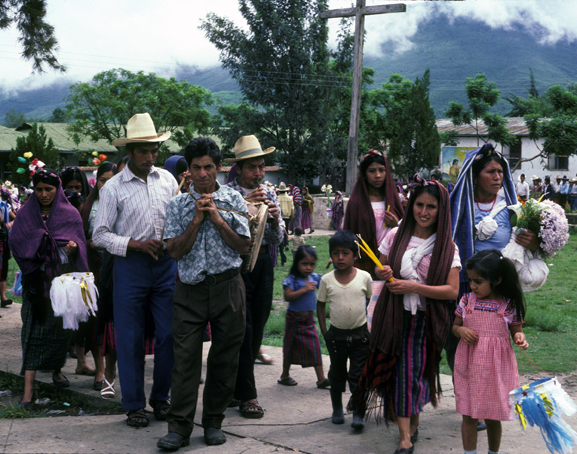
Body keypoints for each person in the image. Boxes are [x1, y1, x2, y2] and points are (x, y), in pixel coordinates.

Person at [350, 177, 460, 452]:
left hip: (425, 322)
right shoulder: (396, 234)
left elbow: (451, 291)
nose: (423, 212)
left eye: (431, 207)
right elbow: (380, 266)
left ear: (441, 209)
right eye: (419, 205)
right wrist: (382, 272)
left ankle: (413, 421)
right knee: (400, 374)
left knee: (418, 374)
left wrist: (414, 287)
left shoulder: (447, 247)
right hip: (394, 316)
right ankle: (404, 439)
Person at [157, 137, 250, 451]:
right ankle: (179, 428)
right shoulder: (178, 205)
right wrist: (196, 220)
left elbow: (243, 246)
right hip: (190, 290)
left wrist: (217, 218)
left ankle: (213, 421)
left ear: (219, 167)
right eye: (195, 167)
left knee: (225, 358)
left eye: (208, 167)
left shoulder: (234, 199)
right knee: (184, 361)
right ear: (188, 171)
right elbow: (174, 252)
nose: (201, 174)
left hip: (228, 287)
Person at [93, 113, 178, 427]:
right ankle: (134, 405)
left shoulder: (168, 180)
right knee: (129, 338)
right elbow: (99, 236)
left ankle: (161, 399)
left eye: (154, 149)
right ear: (129, 152)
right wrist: (136, 244)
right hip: (130, 267)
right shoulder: (113, 188)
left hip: (166, 264)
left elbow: (179, 220)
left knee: (169, 333)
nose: (150, 156)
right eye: (143, 150)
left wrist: (171, 241)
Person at [9, 169, 89, 406]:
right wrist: (40, 244)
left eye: (49, 189)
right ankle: (28, 391)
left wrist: (72, 249)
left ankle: (56, 370)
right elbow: (17, 241)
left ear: (58, 189)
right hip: (36, 285)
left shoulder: (70, 214)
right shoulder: (26, 214)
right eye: (39, 189)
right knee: (32, 333)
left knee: (60, 333)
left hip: (61, 286)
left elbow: (79, 244)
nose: (44, 194)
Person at [226, 135, 285, 419]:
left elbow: (278, 238)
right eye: (252, 167)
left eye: (261, 166)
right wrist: (243, 205)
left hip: (262, 263)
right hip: (236, 265)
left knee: (258, 326)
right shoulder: (227, 193)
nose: (258, 173)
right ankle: (248, 395)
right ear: (239, 168)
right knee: (243, 330)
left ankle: (235, 389)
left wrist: (273, 219)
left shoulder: (270, 192)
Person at [453, 249, 529, 454]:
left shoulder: (509, 305)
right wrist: (461, 330)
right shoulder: (467, 301)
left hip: (496, 369)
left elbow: (516, 330)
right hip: (469, 366)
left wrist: (519, 338)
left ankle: (492, 452)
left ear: (496, 280)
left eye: (478, 281)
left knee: (492, 415)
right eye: (470, 281)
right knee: (468, 415)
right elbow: (454, 326)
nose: (472, 286)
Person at [317, 230, 372, 430]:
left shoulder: (365, 277)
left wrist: (371, 330)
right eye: (335, 253)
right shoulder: (326, 280)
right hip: (336, 336)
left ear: (355, 255)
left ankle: (358, 411)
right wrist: (325, 331)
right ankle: (337, 408)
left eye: (345, 253)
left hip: (360, 336)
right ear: (331, 255)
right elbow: (321, 305)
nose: (340, 258)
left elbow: (373, 303)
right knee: (337, 374)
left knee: (358, 376)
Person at [79, 162, 118, 396]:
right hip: (92, 268)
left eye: (112, 180)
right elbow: (79, 234)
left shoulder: (122, 202)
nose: (106, 185)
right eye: (103, 180)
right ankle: (100, 370)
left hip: (118, 267)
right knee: (94, 319)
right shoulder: (88, 206)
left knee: (114, 319)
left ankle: (111, 369)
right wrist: (89, 244)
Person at [343, 149, 403, 278]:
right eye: (372, 171)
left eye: (381, 170)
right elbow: (349, 233)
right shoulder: (356, 202)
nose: (378, 175)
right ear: (364, 174)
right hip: (366, 257)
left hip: (392, 256)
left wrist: (396, 224)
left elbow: (407, 229)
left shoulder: (393, 199)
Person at [279, 245, 329, 388]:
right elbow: (287, 296)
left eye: (312, 264)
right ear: (297, 263)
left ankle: (321, 378)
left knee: (315, 346)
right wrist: (304, 289)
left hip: (309, 321)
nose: (308, 267)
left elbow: (328, 281)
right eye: (304, 264)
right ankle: (285, 375)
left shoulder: (314, 278)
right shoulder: (292, 279)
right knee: (289, 347)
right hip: (294, 319)